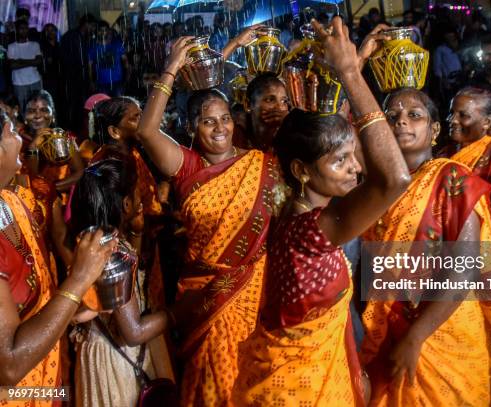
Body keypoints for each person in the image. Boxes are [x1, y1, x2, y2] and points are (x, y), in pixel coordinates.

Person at [232, 16, 410, 406]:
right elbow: (394, 179)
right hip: (300, 390)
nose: (355, 167)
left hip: (309, 377)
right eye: (341, 160)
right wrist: (349, 71)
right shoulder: (310, 231)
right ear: (301, 170)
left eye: (351, 157)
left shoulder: (299, 214)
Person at [136, 35, 287, 406]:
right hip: (208, 299)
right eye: (208, 122)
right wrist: (171, 69)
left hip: (260, 293)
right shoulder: (187, 166)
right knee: (218, 388)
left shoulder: (260, 163)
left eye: (224, 119)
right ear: (193, 128)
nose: (219, 129)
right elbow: (145, 131)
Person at [360, 87, 491, 407]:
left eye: (414, 115)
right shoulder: (371, 189)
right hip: (385, 329)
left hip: (444, 332)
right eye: (392, 117)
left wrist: (415, 337)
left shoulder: (453, 179)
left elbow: (463, 272)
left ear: (435, 130)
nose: (401, 123)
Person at [0, 105, 116, 391]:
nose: (19, 136)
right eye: (12, 130)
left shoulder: (16, 201)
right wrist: (79, 279)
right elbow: (10, 365)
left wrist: (72, 304)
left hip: (47, 374)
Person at [68, 159, 174, 407]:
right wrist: (179, 313)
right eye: (138, 191)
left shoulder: (91, 241)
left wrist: (136, 233)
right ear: (126, 203)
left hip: (99, 354)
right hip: (118, 360)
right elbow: (133, 332)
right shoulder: (114, 253)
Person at [239, 73, 290, 151]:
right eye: (270, 100)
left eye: (284, 101)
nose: (279, 107)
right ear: (248, 105)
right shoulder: (236, 137)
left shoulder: (292, 137)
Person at [7, 20, 42, 112]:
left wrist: (21, 61)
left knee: (38, 107)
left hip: (35, 81)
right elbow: (12, 65)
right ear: (17, 30)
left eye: (26, 28)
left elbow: (38, 62)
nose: (24, 31)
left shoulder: (35, 44)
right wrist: (31, 62)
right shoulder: (11, 47)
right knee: (24, 110)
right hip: (19, 83)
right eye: (21, 29)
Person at [88, 21, 130, 97]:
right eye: (101, 30)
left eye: (105, 30)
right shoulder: (93, 48)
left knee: (118, 106)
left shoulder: (117, 45)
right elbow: (89, 66)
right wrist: (91, 81)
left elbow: (126, 62)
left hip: (117, 82)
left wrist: (126, 78)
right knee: (104, 106)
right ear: (97, 32)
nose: (103, 32)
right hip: (101, 83)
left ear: (108, 31)